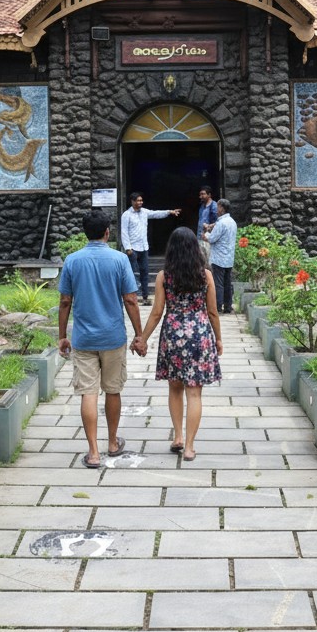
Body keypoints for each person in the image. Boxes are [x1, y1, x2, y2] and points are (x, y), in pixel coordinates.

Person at [58, 210, 145, 469]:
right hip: (113, 337)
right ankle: (112, 443)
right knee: (113, 390)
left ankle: (93, 453)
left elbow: (65, 301)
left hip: (84, 339)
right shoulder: (119, 260)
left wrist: (62, 336)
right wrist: (139, 335)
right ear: (108, 232)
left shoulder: (72, 261)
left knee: (88, 393)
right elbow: (130, 299)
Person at [137, 226, 222, 462]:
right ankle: (190, 447)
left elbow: (156, 313)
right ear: (195, 249)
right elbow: (213, 312)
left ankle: (178, 436)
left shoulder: (164, 275)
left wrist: (142, 338)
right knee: (194, 393)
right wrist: (218, 338)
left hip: (173, 334)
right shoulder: (205, 275)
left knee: (174, 388)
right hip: (199, 334)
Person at [119, 192, 180, 305]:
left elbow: (156, 214)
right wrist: (127, 248)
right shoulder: (126, 215)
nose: (140, 202)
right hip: (133, 248)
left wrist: (169, 212)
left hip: (143, 247)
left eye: (141, 200)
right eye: (138, 200)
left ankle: (145, 296)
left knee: (144, 272)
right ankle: (133, 295)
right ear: (132, 201)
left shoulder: (144, 212)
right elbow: (124, 232)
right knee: (132, 273)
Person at [203, 198, 237, 314]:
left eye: (218, 207)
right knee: (227, 283)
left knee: (218, 283)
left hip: (219, 258)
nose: (216, 209)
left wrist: (205, 234)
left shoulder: (221, 223)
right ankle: (228, 306)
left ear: (222, 208)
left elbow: (212, 239)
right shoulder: (232, 222)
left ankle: (217, 306)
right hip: (229, 257)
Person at [196, 186, 218, 266]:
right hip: (200, 236)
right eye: (200, 194)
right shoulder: (202, 206)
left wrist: (209, 226)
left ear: (209, 195)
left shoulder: (214, 206)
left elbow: (218, 222)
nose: (200, 196)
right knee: (201, 260)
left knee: (208, 261)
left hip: (209, 238)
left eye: (203, 194)